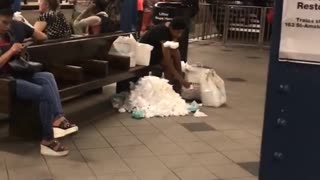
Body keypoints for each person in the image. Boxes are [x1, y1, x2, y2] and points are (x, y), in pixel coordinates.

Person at [0, 0, 78, 156]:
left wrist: (19, 50)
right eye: (4, 23)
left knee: (47, 76)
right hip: (4, 81)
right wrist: (10, 52)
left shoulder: (9, 33)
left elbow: (40, 37)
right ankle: (47, 141)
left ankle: (57, 118)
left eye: (9, 23)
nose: (7, 27)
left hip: (14, 73)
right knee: (42, 92)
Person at [140, 17, 191, 93]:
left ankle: (175, 87)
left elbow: (175, 52)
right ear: (171, 28)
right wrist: (181, 79)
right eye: (177, 32)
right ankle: (169, 89)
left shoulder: (171, 29)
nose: (179, 35)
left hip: (156, 51)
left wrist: (180, 75)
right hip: (145, 54)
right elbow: (167, 60)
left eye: (181, 32)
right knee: (168, 64)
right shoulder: (162, 32)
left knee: (175, 52)